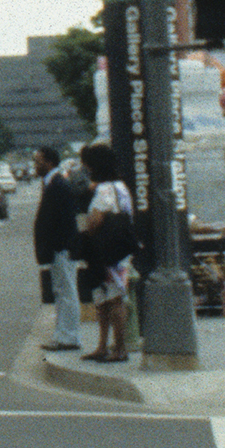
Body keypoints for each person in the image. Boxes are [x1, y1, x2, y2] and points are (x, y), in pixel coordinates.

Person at [77, 141, 137, 363]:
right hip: (120, 249)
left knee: (111, 299)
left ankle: (117, 347)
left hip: (105, 250)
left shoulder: (103, 190)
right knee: (106, 298)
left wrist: (87, 223)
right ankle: (106, 346)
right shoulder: (122, 187)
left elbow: (95, 221)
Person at [31, 146, 88, 352]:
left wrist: (60, 247)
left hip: (62, 248)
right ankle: (62, 334)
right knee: (61, 292)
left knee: (67, 292)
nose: (35, 166)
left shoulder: (58, 185)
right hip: (58, 248)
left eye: (38, 161)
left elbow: (63, 221)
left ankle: (69, 337)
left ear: (49, 162)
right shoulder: (52, 183)